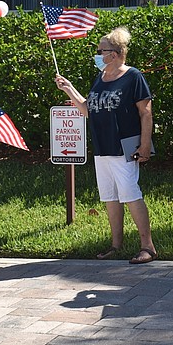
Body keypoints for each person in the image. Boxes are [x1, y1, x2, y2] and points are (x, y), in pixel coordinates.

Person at [54, 26, 157, 265]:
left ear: (117, 52)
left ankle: (148, 246)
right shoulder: (100, 78)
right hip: (102, 147)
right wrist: (68, 89)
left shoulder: (133, 76)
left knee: (131, 194)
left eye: (102, 50)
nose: (98, 54)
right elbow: (89, 109)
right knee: (110, 197)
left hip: (124, 147)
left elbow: (146, 113)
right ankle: (116, 244)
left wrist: (144, 145)